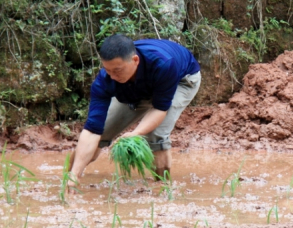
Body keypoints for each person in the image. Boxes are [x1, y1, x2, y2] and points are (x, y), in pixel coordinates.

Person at [67, 34, 201, 192]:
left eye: (117, 70)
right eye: (108, 70)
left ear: (135, 60)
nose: (113, 76)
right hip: (135, 87)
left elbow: (159, 109)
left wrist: (136, 132)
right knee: (102, 131)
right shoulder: (106, 80)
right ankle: (69, 178)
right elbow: (91, 130)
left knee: (155, 133)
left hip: (181, 80)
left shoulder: (164, 64)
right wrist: (74, 174)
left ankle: (163, 187)